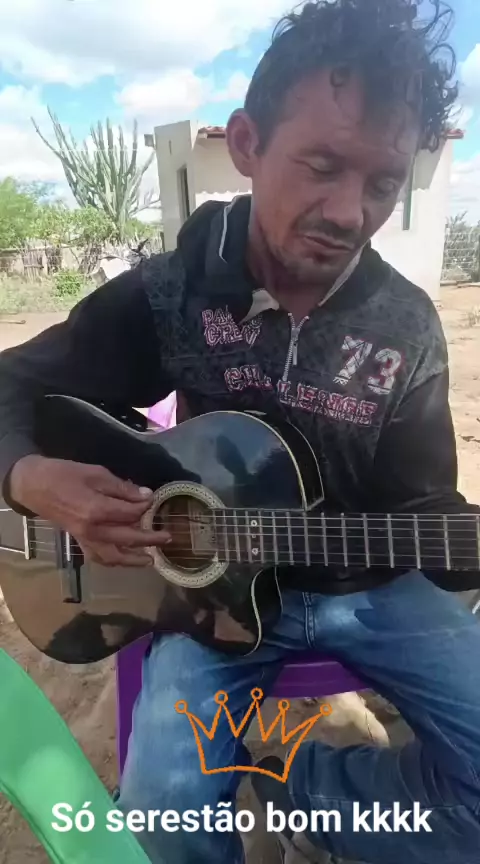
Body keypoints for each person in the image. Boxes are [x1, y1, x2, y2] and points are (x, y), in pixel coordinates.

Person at [0, 0, 479, 861]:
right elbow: (10, 387)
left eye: (381, 184)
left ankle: (299, 792)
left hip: (368, 589)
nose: (349, 212)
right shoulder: (170, 291)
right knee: (165, 813)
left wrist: (462, 547)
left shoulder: (405, 326)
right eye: (322, 166)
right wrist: (29, 477)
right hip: (204, 602)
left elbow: (424, 506)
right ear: (250, 143)